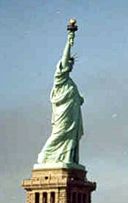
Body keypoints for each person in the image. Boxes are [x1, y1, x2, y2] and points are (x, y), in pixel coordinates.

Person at [37, 27, 84, 165]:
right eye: (69, 62)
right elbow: (64, 59)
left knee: (70, 137)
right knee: (60, 134)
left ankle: (67, 158)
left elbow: (74, 98)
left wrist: (79, 99)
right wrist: (70, 40)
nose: (70, 65)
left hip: (72, 117)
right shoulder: (60, 78)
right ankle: (45, 155)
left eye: (72, 63)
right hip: (63, 116)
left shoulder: (70, 83)